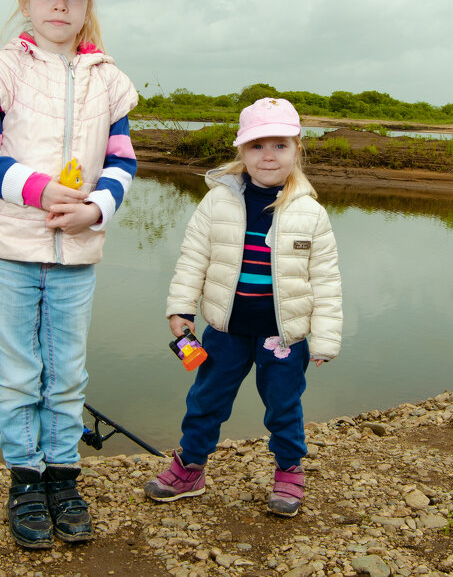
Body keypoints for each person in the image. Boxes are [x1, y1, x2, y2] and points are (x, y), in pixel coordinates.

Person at [0, 0, 138, 549]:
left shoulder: (110, 82)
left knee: (66, 375)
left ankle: (64, 475)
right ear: (25, 0)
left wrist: (94, 208)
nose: (60, 3)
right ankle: (25, 481)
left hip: (76, 253)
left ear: (88, 5)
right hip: (6, 251)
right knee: (16, 375)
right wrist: (38, 192)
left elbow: (122, 164)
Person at [144, 97, 343, 517]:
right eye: (257, 146)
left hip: (284, 336)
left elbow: (325, 279)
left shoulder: (311, 212)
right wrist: (180, 308)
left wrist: (325, 338)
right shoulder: (217, 202)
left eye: (279, 146)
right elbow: (192, 258)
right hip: (225, 331)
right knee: (206, 400)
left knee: (284, 405)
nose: (268, 156)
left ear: (297, 148)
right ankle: (191, 466)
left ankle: (289, 469)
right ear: (242, 151)